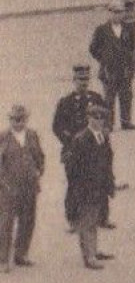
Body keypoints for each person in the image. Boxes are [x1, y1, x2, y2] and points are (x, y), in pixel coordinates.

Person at [64, 104, 116, 270]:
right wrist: (80, 185)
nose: (98, 121)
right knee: (86, 221)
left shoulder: (103, 136)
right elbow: (72, 167)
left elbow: (108, 161)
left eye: (101, 118)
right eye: (95, 118)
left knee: (95, 218)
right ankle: (89, 257)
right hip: (86, 188)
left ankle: (93, 250)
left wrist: (109, 183)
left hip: (100, 186)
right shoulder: (81, 139)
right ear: (88, 118)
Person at [0, 104, 45, 271]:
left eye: (21, 119)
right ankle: (3, 259)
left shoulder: (32, 135)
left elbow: (39, 155)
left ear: (26, 119)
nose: (18, 122)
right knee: (6, 223)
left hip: (29, 186)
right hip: (9, 187)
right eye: (15, 119)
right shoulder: (3, 137)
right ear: (10, 120)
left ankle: (21, 254)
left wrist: (39, 170)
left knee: (27, 220)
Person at [89, 3, 135, 131]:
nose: (117, 15)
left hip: (124, 69)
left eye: (120, 12)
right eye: (114, 12)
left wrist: (129, 63)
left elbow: (132, 46)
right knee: (109, 97)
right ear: (109, 13)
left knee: (126, 95)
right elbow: (93, 48)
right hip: (109, 70)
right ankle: (108, 123)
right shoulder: (101, 30)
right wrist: (104, 59)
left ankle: (126, 121)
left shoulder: (128, 29)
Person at [52, 64, 106, 155]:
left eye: (86, 79)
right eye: (81, 79)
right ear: (74, 80)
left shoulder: (97, 99)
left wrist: (101, 137)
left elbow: (107, 120)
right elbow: (57, 126)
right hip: (74, 149)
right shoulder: (66, 102)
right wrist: (70, 141)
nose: (84, 83)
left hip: (95, 149)